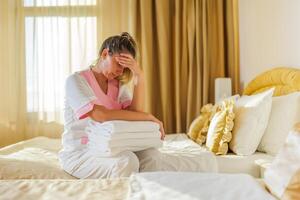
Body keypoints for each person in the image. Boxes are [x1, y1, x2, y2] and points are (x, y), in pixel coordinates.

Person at [58, 32, 165, 179]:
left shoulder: (118, 85)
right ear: (104, 54)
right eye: (118, 63)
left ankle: (147, 194)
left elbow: (134, 113)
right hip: (81, 152)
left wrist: (139, 75)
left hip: (111, 146)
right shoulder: (76, 81)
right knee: (127, 161)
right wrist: (149, 117)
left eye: (125, 67)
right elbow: (100, 115)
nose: (120, 71)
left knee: (153, 156)